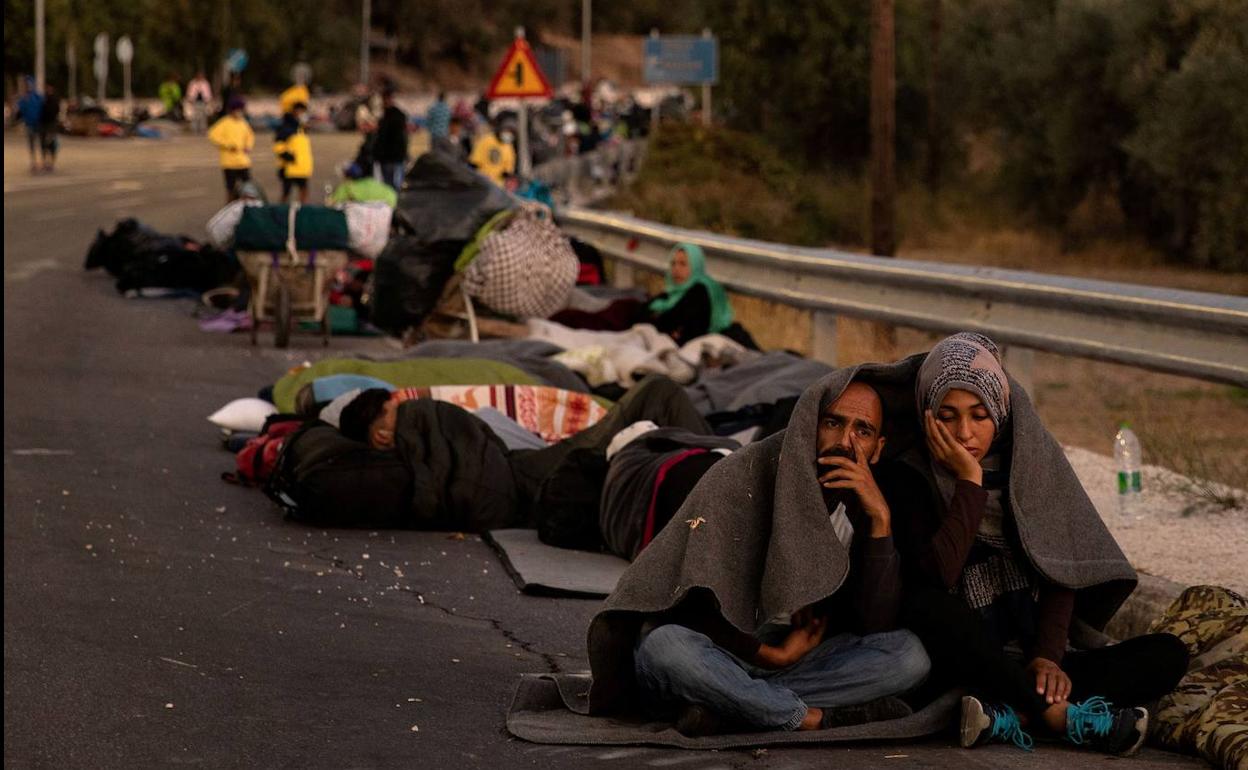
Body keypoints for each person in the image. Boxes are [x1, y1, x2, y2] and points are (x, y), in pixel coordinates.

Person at [891, 332, 1189, 756]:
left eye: (979, 416)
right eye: (948, 416)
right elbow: (940, 573)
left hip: (1028, 657)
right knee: (927, 605)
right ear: (927, 415)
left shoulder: (1028, 466)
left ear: (1001, 413)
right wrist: (969, 483)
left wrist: (1048, 657)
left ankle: (1013, 713)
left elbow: (1058, 566)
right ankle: (1056, 717)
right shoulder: (908, 476)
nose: (964, 433)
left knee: (1168, 654)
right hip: (959, 659)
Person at [586, 375, 930, 736]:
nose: (845, 442)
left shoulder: (868, 503)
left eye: (863, 431)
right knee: (665, 647)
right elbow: (687, 603)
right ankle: (810, 717)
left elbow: (875, 622)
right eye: (833, 423)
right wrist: (771, 655)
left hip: (801, 664)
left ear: (877, 447)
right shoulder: (744, 475)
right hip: (723, 650)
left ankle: (731, 708)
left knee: (909, 656)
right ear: (807, 428)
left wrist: (880, 520)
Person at [207, 97, 255, 203]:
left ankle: (247, 208)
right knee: (230, 189)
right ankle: (229, 209)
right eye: (237, 110)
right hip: (229, 162)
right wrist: (227, 145)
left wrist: (248, 146)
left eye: (241, 110)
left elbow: (250, 136)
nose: (239, 112)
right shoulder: (224, 123)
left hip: (243, 162)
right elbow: (212, 135)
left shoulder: (243, 123)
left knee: (248, 188)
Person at [273, 102, 313, 204]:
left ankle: (302, 213)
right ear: (295, 111)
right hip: (289, 168)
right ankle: (280, 214)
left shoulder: (301, 128)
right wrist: (289, 157)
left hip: (302, 167)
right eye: (302, 112)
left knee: (304, 191)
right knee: (286, 193)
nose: (303, 114)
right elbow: (278, 146)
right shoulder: (286, 128)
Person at [372, 88, 409, 190]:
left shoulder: (389, 117)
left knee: (390, 185)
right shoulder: (397, 115)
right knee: (393, 185)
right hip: (393, 156)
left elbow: (382, 138)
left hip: (391, 156)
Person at [327, 163, 397, 208]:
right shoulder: (376, 184)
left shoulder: (345, 188)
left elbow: (330, 203)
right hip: (381, 222)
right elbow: (393, 198)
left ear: (347, 177)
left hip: (354, 224)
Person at [468, 121, 515, 186]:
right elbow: (475, 160)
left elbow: (509, 165)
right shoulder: (487, 140)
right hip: (482, 180)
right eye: (507, 131)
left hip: (497, 185)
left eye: (511, 132)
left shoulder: (509, 147)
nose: (508, 134)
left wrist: (506, 173)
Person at [17, 77, 44, 173]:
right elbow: (20, 111)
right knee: (31, 144)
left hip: (39, 124)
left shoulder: (37, 96)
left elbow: (43, 107)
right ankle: (33, 162)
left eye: (29, 85)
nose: (28, 87)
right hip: (29, 125)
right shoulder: (23, 99)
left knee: (41, 144)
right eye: (27, 85)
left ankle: (42, 161)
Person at [37, 84, 62, 173]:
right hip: (43, 124)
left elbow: (57, 111)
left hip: (51, 124)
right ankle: (44, 162)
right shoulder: (43, 99)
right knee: (43, 144)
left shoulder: (54, 99)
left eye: (49, 89)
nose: (48, 90)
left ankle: (51, 163)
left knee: (52, 144)